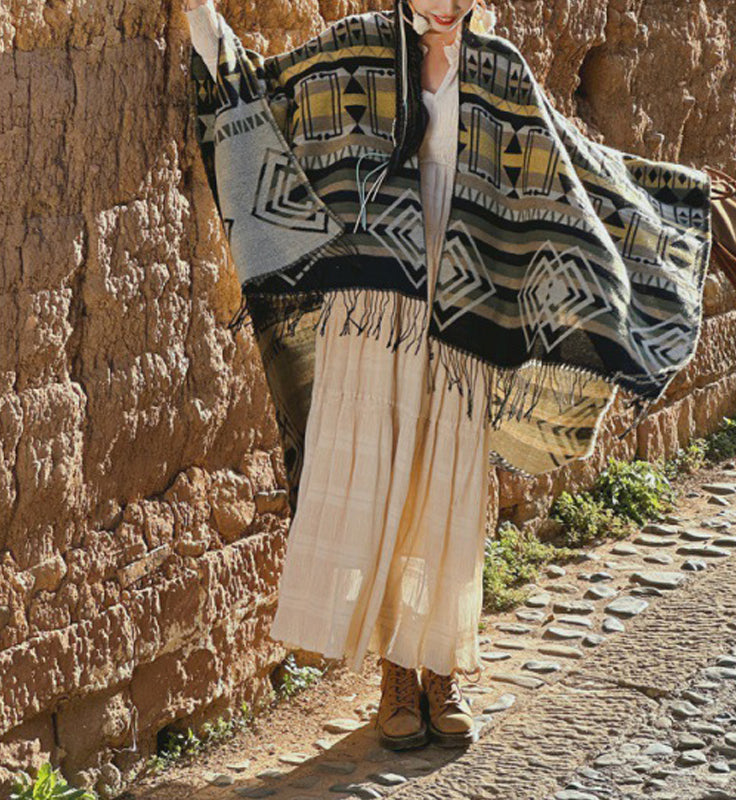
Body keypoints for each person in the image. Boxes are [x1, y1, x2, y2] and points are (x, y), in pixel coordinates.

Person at [184, 0, 502, 750]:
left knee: (443, 484)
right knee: (382, 481)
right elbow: (266, 93)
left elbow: (560, 179)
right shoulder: (355, 48)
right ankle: (396, 670)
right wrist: (201, 17)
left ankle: (441, 669)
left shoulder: (500, 71)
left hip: (462, 314)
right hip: (372, 308)